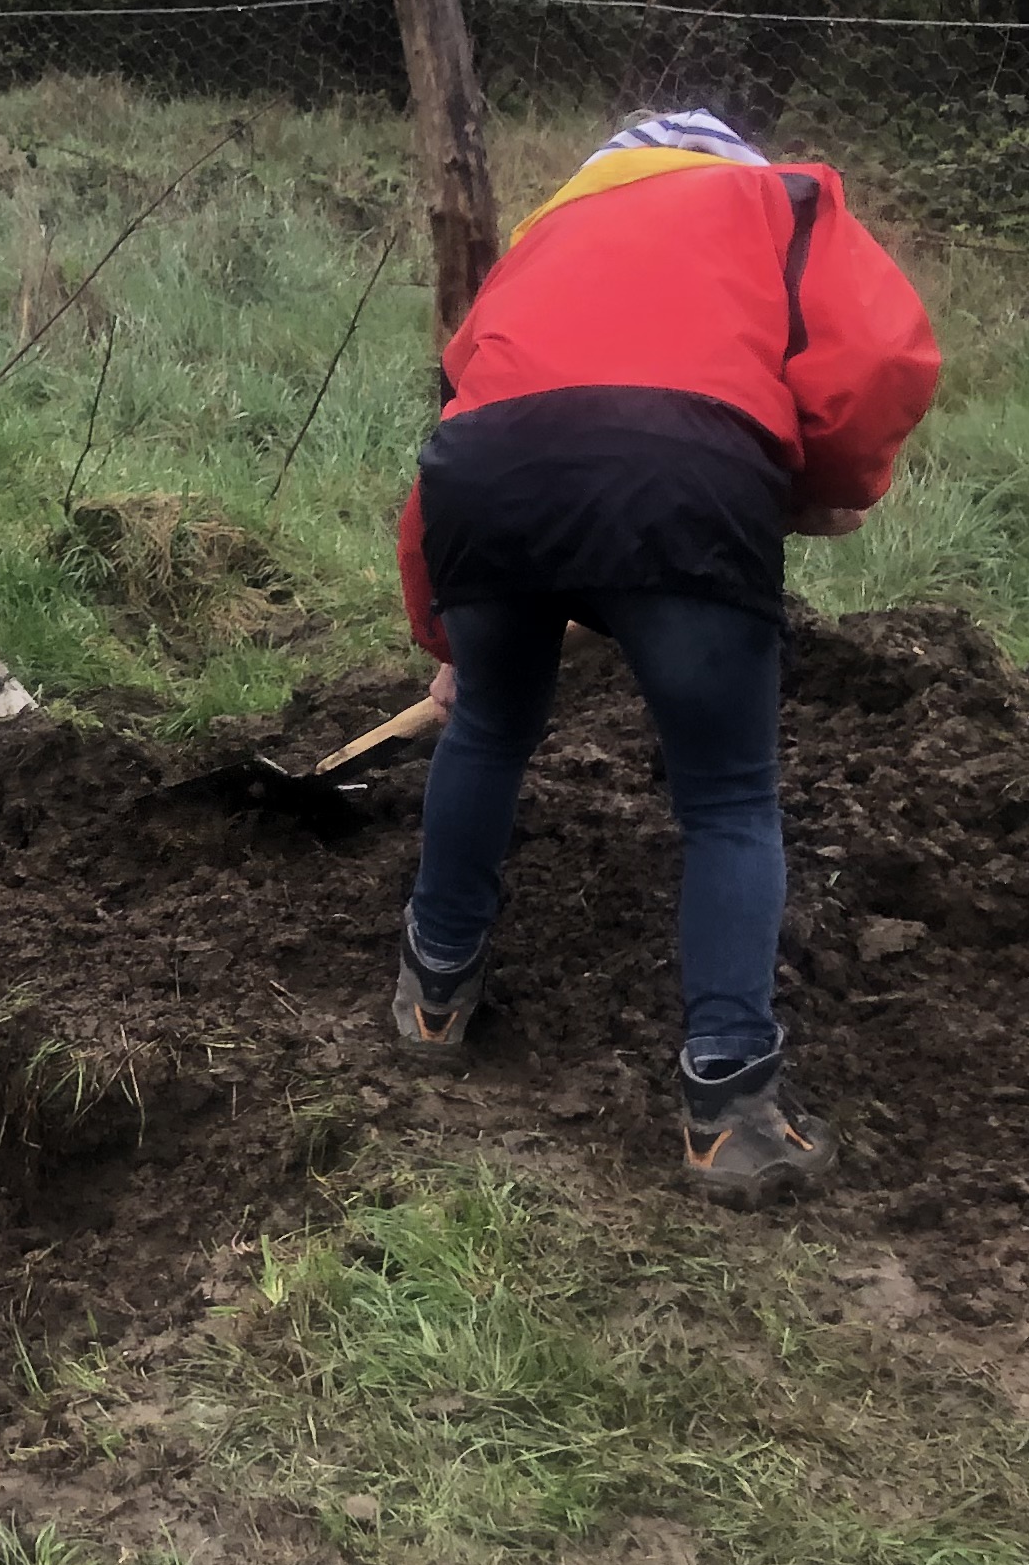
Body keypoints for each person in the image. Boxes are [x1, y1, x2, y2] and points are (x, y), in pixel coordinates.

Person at [390, 108, 941, 1209]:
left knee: (493, 725)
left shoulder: (545, 236)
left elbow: (462, 425)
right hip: (685, 475)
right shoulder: (778, 199)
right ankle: (729, 1109)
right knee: (730, 797)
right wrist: (817, 481)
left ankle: (433, 997)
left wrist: (448, 638)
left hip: (487, 489)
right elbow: (881, 356)